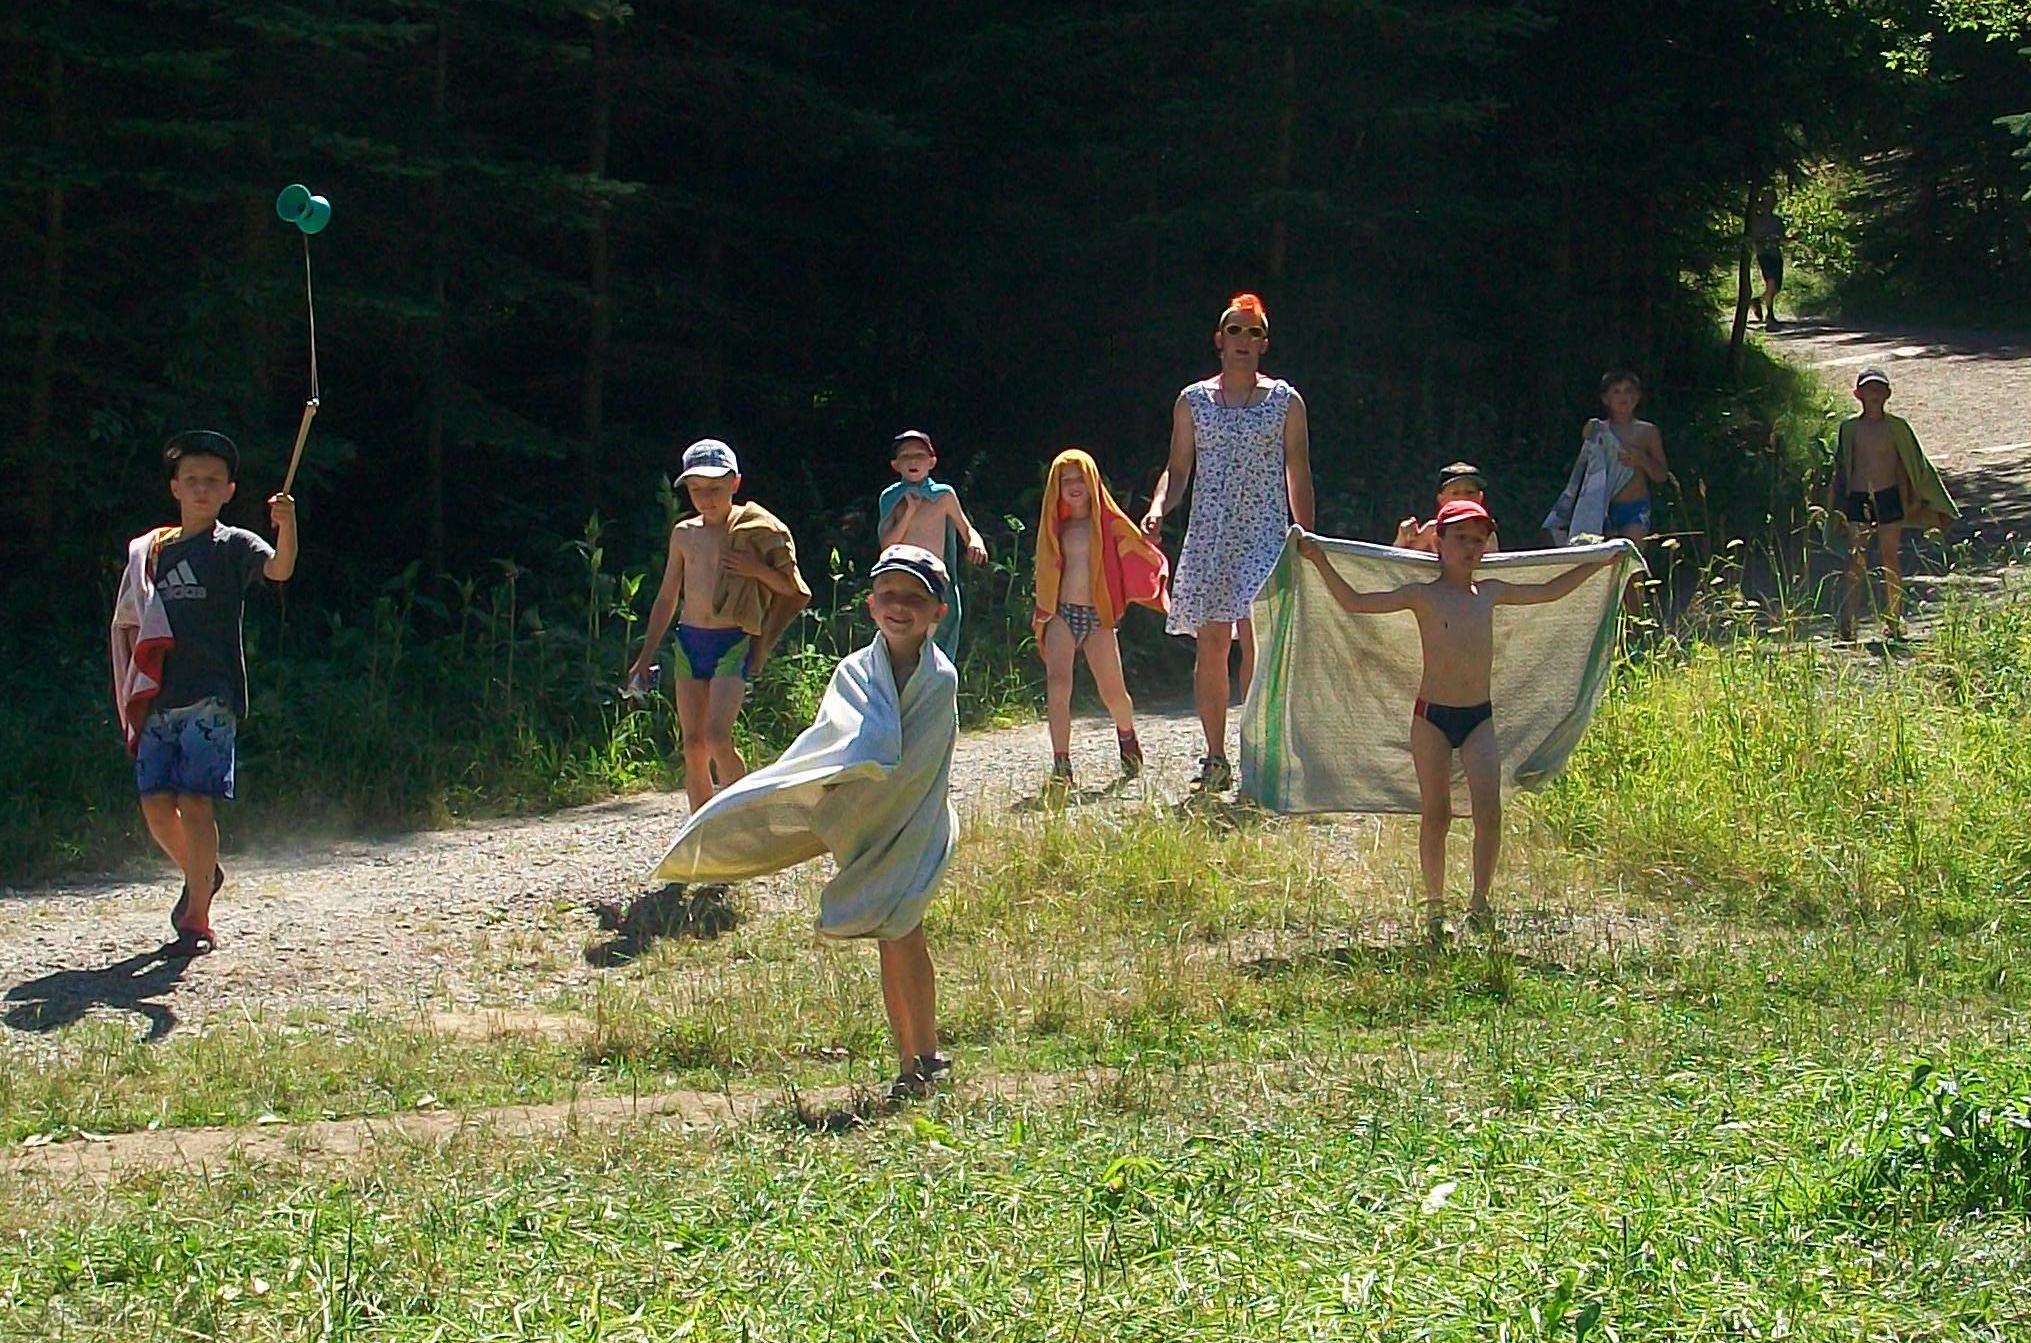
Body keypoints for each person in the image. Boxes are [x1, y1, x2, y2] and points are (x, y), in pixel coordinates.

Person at [653, 545, 959, 1101]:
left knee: (903, 930)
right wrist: (843, 787)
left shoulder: (940, 680)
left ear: (938, 611)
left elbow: (921, 763)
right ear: (871, 605)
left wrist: (880, 769)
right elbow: (831, 745)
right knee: (892, 935)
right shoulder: (853, 673)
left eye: (915, 599)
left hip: (913, 828)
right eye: (888, 595)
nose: (899, 607)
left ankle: (925, 1054)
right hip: (866, 829)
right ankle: (911, 1057)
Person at [1296, 500, 1613, 943]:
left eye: (1477, 540)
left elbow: (1549, 591)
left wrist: (1601, 563)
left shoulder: (1491, 591)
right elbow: (1355, 602)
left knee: (1490, 813)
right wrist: (1318, 559)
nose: (1469, 547)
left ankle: (1480, 904)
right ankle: (1435, 908)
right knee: (1436, 814)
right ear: (1439, 542)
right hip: (1431, 719)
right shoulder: (1422, 594)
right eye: (1460, 538)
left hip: (1478, 718)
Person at [110, 430, 298, 954]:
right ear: (174, 487)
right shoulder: (151, 552)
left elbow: (280, 569)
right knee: (155, 806)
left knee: (195, 801)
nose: (200, 488)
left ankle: (196, 918)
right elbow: (130, 621)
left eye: (212, 481)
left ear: (228, 490)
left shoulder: (234, 545)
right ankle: (203, 873)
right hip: (159, 696)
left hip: (212, 696)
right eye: (191, 479)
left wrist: (287, 527)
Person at [1141, 292, 1314, 794]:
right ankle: (1215, 757)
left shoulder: (1285, 401)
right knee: (1213, 642)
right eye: (1235, 330)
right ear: (1219, 340)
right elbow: (1178, 470)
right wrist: (1158, 507)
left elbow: (1297, 472)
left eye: (1253, 332)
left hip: (1264, 535)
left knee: (1256, 638)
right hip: (1211, 536)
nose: (1243, 339)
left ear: (1264, 344)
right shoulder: (1193, 401)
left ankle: (1258, 752)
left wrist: (1305, 536)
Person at [627, 439, 811, 814]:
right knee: (693, 744)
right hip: (690, 641)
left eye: (715, 488)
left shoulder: (753, 530)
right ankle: (701, 829)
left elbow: (791, 590)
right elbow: (667, 597)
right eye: (696, 489)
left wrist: (756, 570)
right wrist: (645, 656)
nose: (706, 498)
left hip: (732, 641)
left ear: (735, 484)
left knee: (717, 737)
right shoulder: (684, 533)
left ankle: (741, 819)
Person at [1031, 448, 1170, 789]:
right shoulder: (1055, 528)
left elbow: (1138, 549)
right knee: (1058, 684)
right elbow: (1046, 570)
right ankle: (1061, 763)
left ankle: (1126, 735)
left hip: (1097, 616)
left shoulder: (1108, 524)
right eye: (1066, 480)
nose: (1074, 486)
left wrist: (1151, 536)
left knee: (1114, 693)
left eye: (1080, 478)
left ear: (1093, 481)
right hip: (1062, 613)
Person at [1826, 366, 1960, 641]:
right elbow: (1840, 469)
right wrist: (1835, 506)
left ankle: (1894, 619)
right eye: (1868, 389)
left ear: (1888, 394)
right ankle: (1848, 621)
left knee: (1890, 557)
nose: (1874, 393)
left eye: (1879, 388)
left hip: (1889, 496)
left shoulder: (1897, 427)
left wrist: (1913, 499)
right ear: (1858, 394)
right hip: (1858, 498)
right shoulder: (1849, 428)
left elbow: (1913, 465)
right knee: (1855, 559)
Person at [877, 429, 988, 660]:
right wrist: (909, 511)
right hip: (903, 577)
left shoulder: (944, 495)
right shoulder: (891, 497)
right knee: (905, 638)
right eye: (906, 456)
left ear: (931, 462)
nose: (913, 461)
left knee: (934, 640)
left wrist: (975, 542)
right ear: (896, 465)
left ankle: (934, 678)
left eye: (919, 455)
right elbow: (887, 546)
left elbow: (966, 528)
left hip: (935, 577)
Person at [1394, 461, 1500, 554]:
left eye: (1470, 492)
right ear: (1441, 499)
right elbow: (1399, 565)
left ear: (1480, 497)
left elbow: (1492, 568)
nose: (1463, 498)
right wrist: (1402, 540)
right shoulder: (1432, 529)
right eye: (1455, 493)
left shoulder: (1488, 534)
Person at [1750, 187, 1786, 328]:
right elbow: (1754, 237)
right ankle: (1770, 315)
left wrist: (1791, 238)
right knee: (1771, 283)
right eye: (1767, 199)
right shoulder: (1755, 219)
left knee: (1776, 288)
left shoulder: (1777, 221)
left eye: (1772, 200)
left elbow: (1781, 238)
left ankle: (1757, 301)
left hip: (1776, 254)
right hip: (1764, 254)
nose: (1770, 203)